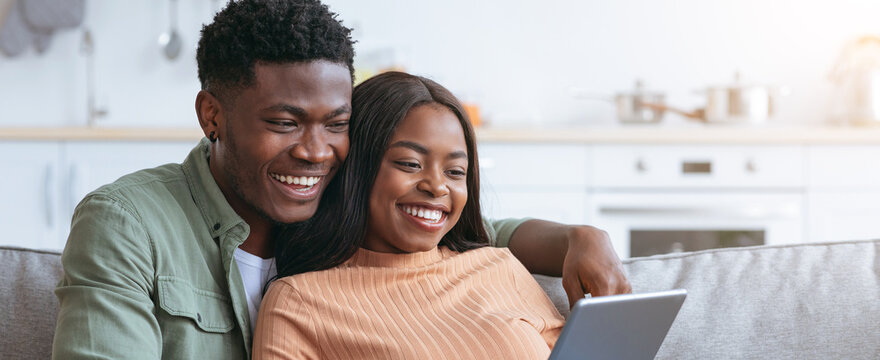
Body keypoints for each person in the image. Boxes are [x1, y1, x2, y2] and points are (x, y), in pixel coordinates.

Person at [51, 1, 629, 359]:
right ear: (212, 116)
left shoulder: (339, 186)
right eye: (283, 123)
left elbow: (460, 228)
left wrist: (580, 238)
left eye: (336, 125)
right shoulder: (129, 224)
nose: (313, 152)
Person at [253, 71, 566, 359]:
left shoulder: (500, 267)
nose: (436, 186)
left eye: (455, 171)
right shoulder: (298, 303)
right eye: (410, 164)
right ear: (357, 168)